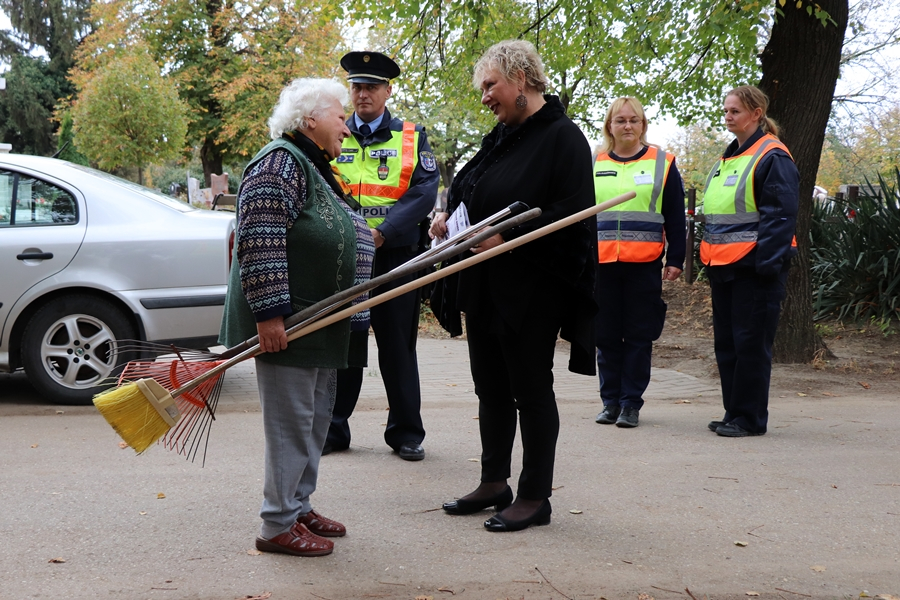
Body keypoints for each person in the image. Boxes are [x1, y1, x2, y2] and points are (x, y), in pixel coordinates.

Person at [430, 40, 596, 532]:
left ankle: (535, 496)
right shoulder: (501, 137)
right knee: (490, 388)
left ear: (521, 78)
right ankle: (494, 482)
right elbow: (471, 189)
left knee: (531, 390)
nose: (485, 97)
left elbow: (573, 215)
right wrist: (448, 217)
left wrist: (507, 237)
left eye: (490, 85)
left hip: (532, 291)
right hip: (485, 284)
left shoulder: (563, 137)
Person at [219, 78, 374, 556]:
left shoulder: (313, 165)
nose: (346, 127)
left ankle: (298, 506)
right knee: (291, 424)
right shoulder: (280, 161)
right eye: (340, 116)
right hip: (290, 323)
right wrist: (269, 315)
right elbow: (259, 235)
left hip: (319, 322)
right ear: (310, 119)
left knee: (315, 419)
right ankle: (276, 524)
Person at [324, 51, 440, 461]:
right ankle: (334, 430)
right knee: (344, 344)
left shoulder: (412, 136)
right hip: (347, 256)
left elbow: (424, 191)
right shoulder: (335, 131)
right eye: (357, 86)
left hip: (396, 257)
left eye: (371, 87)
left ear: (388, 91)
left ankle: (406, 433)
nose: (363, 94)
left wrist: (383, 232)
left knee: (397, 348)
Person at [701, 85, 798, 437]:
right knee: (728, 345)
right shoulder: (728, 159)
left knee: (751, 346)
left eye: (735, 111)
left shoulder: (772, 155)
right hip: (724, 267)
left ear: (756, 114)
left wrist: (766, 266)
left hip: (755, 269)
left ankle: (749, 418)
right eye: (726, 111)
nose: (728, 117)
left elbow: (780, 215)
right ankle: (734, 412)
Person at [592, 98, 686, 428]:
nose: (628, 126)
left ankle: (630, 404)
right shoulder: (593, 162)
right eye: (620, 120)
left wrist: (676, 257)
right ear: (610, 126)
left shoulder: (662, 162)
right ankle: (610, 402)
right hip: (602, 264)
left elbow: (675, 214)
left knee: (638, 336)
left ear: (643, 125)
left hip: (643, 264)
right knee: (605, 336)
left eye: (634, 120)